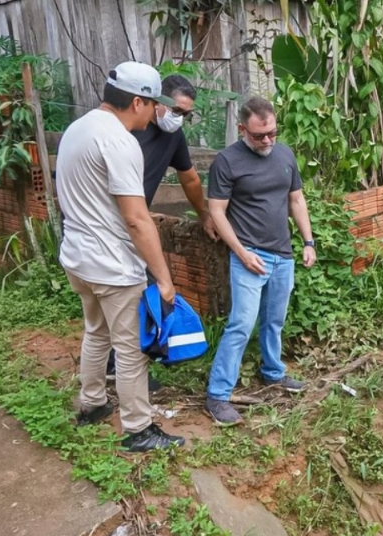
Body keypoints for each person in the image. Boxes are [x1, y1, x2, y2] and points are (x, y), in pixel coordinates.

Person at [57, 61, 185, 452]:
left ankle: (92, 403)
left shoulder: (77, 129)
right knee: (131, 350)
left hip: (77, 257)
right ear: (136, 102)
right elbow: (136, 219)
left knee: (96, 332)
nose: (156, 113)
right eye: (152, 105)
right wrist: (163, 279)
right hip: (112, 265)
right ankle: (139, 429)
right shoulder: (119, 141)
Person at [203, 96, 316, 426]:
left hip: (283, 255)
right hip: (249, 256)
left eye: (272, 133)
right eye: (258, 135)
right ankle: (218, 395)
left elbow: (296, 199)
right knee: (241, 324)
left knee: (274, 320)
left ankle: (273, 372)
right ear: (241, 129)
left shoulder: (284, 153)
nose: (267, 140)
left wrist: (308, 241)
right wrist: (241, 252)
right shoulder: (227, 162)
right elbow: (216, 212)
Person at [105, 74, 218, 389]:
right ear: (156, 102)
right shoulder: (124, 132)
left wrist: (204, 214)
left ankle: (116, 365)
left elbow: (190, 179)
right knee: (131, 293)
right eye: (177, 111)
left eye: (187, 114)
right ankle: (126, 369)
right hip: (112, 226)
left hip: (134, 224)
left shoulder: (172, 137)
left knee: (136, 293)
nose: (180, 119)